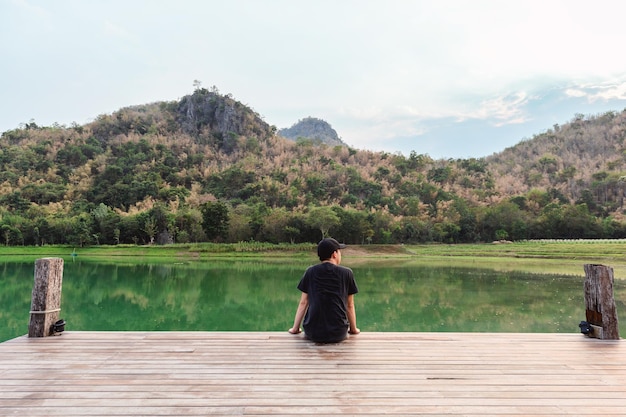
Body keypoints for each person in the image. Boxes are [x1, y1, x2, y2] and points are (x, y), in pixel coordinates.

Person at [288, 237, 360, 343]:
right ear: (334, 254)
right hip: (338, 333)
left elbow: (304, 303)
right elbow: (350, 305)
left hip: (312, 332)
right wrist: (353, 330)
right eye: (340, 252)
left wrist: (295, 329)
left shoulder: (310, 271)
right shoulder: (346, 273)